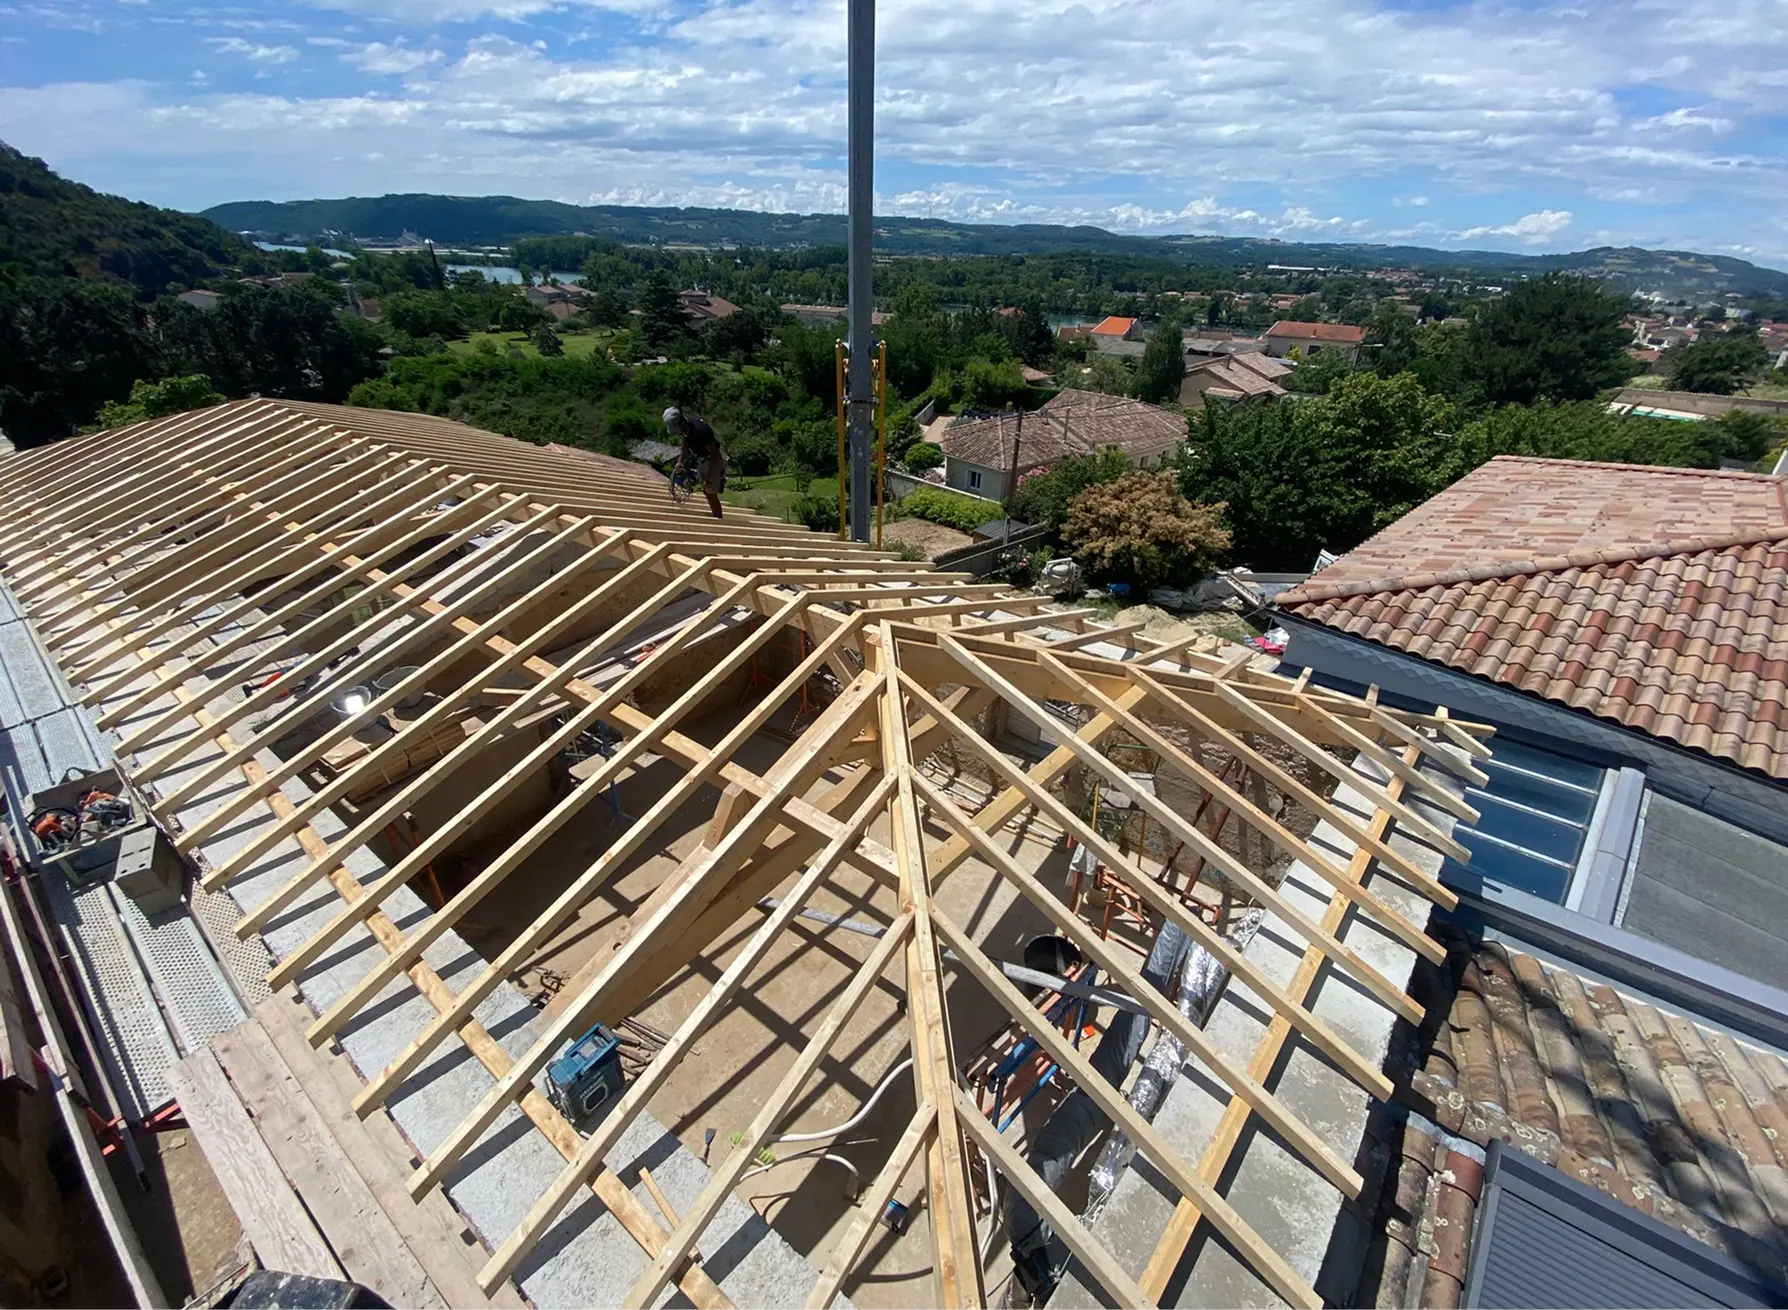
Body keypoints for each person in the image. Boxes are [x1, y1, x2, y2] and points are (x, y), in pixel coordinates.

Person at [664, 406, 726, 519]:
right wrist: (680, 461)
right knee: (707, 491)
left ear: (682, 422)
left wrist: (710, 473)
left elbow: (715, 454)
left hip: (712, 458)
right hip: (702, 458)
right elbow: (685, 445)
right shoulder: (685, 429)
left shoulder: (700, 430)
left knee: (710, 492)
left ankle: (718, 519)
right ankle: (716, 516)